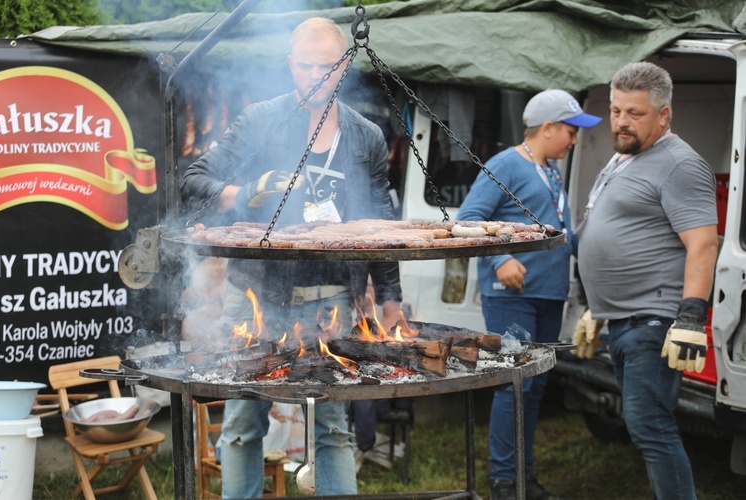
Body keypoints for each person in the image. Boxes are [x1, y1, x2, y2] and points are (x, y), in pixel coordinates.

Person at [180, 17, 403, 498]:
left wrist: (390, 297)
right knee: (242, 422)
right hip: (259, 297)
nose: (317, 77)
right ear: (290, 65)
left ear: (345, 66)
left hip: (333, 301)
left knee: (332, 426)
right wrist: (244, 193)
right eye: (306, 66)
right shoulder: (260, 121)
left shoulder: (365, 137)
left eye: (328, 67)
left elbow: (381, 222)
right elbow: (193, 178)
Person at [574, 61, 719, 500]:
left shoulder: (679, 164)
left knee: (650, 427)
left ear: (664, 115)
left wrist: (691, 317)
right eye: (616, 111)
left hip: (654, 322)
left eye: (634, 113)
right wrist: (597, 308)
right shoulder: (626, 157)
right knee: (645, 427)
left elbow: (703, 245)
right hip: (625, 319)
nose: (620, 122)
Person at [458, 89, 601, 500]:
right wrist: (500, 257)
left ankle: (524, 476)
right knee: (514, 384)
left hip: (549, 294)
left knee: (536, 386)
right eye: (571, 131)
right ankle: (504, 481)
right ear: (549, 128)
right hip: (511, 296)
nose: (575, 140)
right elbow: (469, 217)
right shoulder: (506, 164)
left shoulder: (552, 171)